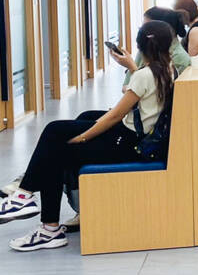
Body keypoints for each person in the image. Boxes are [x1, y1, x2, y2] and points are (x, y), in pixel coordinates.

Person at [0, 21, 176, 250]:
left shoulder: (144, 75)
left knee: (55, 140)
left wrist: (83, 137)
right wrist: (133, 69)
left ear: (141, 45)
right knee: (79, 122)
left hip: (128, 142)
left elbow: (115, 116)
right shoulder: (168, 69)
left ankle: (32, 207)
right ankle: (32, 205)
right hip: (139, 136)